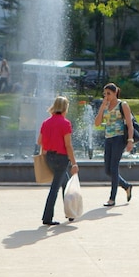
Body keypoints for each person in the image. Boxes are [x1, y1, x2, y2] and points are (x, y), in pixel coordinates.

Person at [38, 96, 79, 226]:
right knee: (55, 188)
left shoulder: (46, 122)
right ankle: (47, 217)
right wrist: (74, 163)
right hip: (61, 158)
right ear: (65, 108)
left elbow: (40, 141)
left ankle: (70, 212)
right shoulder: (65, 123)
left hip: (49, 157)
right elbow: (68, 145)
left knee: (65, 184)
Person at [94, 83, 134, 207]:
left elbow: (129, 124)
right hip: (108, 138)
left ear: (115, 92)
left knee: (114, 167)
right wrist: (102, 106)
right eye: (105, 94)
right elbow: (97, 123)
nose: (106, 96)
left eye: (109, 94)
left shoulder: (123, 105)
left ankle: (112, 198)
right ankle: (126, 186)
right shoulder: (105, 106)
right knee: (108, 170)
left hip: (119, 138)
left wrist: (130, 140)